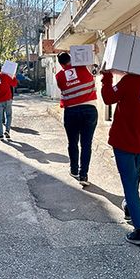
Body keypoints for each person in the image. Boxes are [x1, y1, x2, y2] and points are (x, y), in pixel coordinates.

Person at [100, 49, 140, 246]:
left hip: (123, 139)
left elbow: (109, 98)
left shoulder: (130, 81)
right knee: (135, 175)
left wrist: (106, 79)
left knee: (129, 183)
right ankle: (130, 207)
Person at [55, 52, 98, 186]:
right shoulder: (84, 68)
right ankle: (83, 175)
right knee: (86, 144)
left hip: (71, 112)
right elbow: (96, 69)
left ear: (61, 64)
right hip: (89, 110)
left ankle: (74, 170)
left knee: (72, 142)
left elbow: (63, 87)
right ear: (72, 59)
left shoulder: (59, 76)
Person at [0, 65, 18, 141]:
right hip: (7, 99)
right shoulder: (4, 76)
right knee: (8, 115)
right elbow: (14, 84)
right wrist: (13, 76)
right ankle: (7, 130)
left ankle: (1, 135)